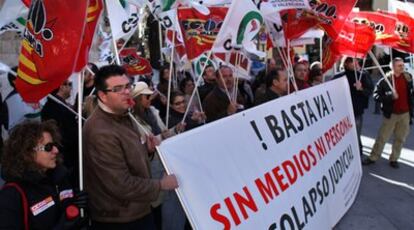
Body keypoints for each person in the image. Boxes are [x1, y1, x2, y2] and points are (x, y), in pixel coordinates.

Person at [83, 65, 178, 229]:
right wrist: (161, 185)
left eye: (128, 86)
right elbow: (120, 184)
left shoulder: (123, 114)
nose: (126, 92)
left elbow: (128, 158)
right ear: (102, 96)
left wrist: (147, 151)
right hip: (121, 218)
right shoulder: (100, 131)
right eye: (118, 89)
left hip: (137, 209)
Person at [0, 121, 88, 229]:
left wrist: (76, 202)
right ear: (28, 153)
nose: (56, 150)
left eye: (55, 145)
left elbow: (67, 213)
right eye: (48, 147)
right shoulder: (12, 194)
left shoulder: (59, 177)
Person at [363, 58, 414, 168]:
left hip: (405, 114)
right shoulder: (385, 81)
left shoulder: (408, 78)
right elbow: (376, 96)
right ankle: (373, 157)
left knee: (400, 138)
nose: (402, 67)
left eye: (402, 65)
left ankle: (394, 158)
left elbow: (411, 95)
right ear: (393, 67)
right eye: (399, 65)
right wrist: (390, 97)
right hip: (391, 114)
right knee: (382, 137)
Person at [41, 80, 79, 187]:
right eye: (69, 85)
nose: (71, 88)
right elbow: (65, 135)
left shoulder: (58, 105)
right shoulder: (56, 108)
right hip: (67, 158)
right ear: (61, 87)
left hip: (67, 157)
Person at [333, 57, 374, 155]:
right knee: (344, 135)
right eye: (352, 61)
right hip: (343, 112)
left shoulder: (362, 76)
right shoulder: (339, 77)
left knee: (356, 134)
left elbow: (369, 91)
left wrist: (361, 89)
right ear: (346, 63)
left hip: (357, 111)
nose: (355, 63)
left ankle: (358, 153)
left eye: (356, 61)